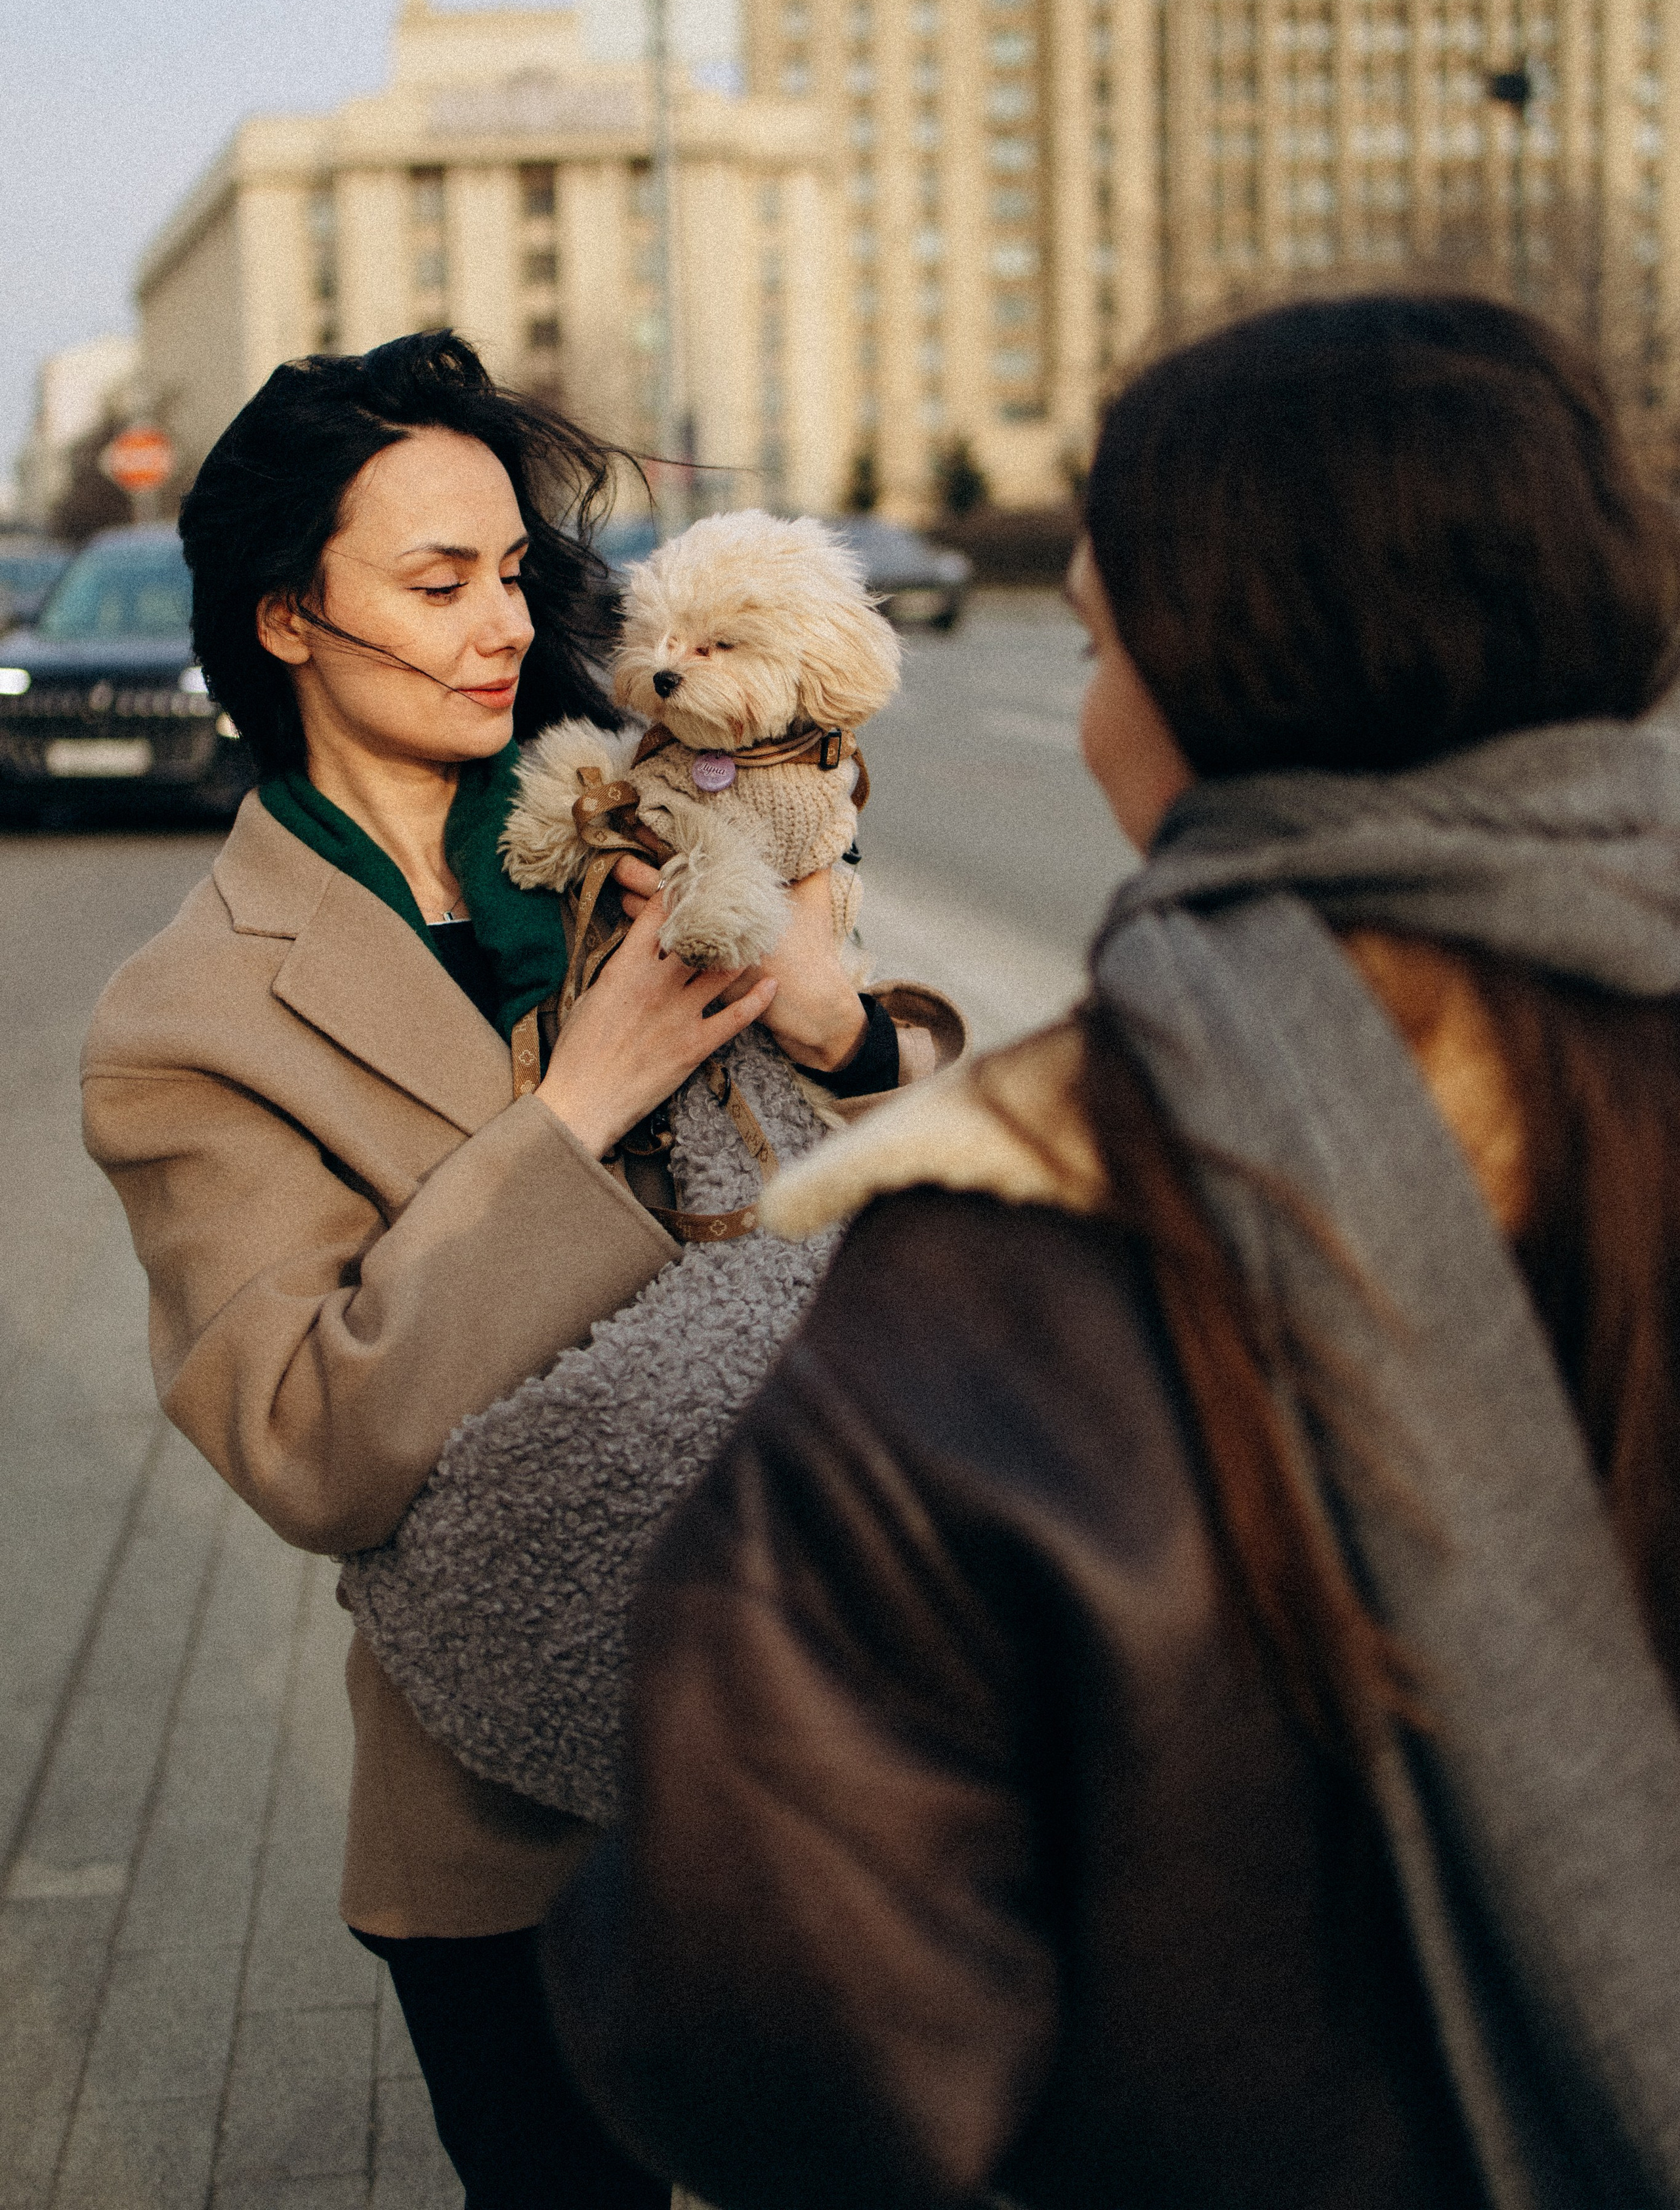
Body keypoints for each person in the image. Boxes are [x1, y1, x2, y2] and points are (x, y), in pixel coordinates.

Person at [541, 293, 1680, 2208]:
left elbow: (763, 2021)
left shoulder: (1010, 1261)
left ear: (1213, 680)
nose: (1086, 709)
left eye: (1095, 643)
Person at [80, 331, 948, 2208]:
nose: (504, 626)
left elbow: (924, 1169)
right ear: (290, 620)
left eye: (513, 574)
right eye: (436, 584)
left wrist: (845, 1029)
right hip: (513, 1809)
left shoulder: (652, 813)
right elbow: (312, 1438)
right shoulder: (187, 1021)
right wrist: (577, 1112)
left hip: (845, 1708)